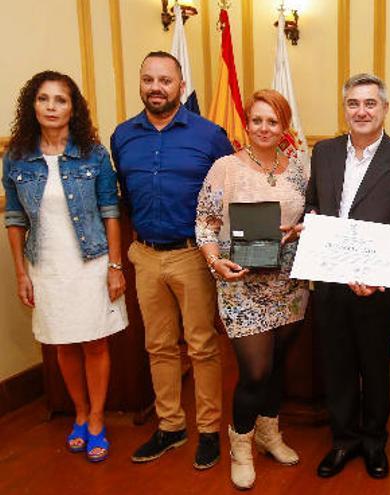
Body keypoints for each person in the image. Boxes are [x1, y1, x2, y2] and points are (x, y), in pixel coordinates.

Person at [298, 73, 390, 480]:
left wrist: (373, 273)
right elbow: (314, 205)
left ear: (385, 109)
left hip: (377, 287)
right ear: (345, 109)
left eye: (370, 103)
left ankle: (373, 442)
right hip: (331, 283)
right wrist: (311, 221)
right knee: (336, 365)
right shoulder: (325, 152)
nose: (362, 111)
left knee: (374, 367)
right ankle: (343, 440)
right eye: (353, 103)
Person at [111, 51, 234, 470]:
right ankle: (170, 426)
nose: (156, 87)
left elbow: (224, 195)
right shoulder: (123, 136)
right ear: (140, 83)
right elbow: (124, 197)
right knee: (158, 346)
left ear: (181, 86)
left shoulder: (211, 135)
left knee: (201, 346)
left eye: (165, 80)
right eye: (148, 79)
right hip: (144, 255)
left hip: (192, 255)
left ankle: (210, 430)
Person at [2, 71, 127, 463]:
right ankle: (78, 410)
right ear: (32, 106)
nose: (52, 107)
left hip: (91, 262)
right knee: (62, 343)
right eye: (44, 99)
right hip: (46, 265)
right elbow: (15, 219)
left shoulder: (93, 154)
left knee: (94, 341)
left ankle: (96, 419)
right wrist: (21, 273)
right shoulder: (16, 157)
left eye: (61, 100)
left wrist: (115, 265)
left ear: (74, 108)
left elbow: (111, 211)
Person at [195, 89, 309, 489]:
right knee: (255, 371)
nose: (264, 127)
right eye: (257, 120)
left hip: (289, 282)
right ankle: (240, 445)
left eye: (273, 121)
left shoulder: (296, 167)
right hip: (240, 284)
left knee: (277, 367)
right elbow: (206, 222)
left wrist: (301, 228)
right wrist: (214, 260)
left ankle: (269, 433)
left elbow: (309, 216)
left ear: (285, 127)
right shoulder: (225, 167)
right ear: (246, 123)